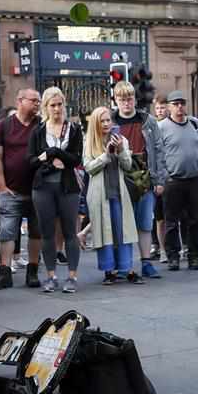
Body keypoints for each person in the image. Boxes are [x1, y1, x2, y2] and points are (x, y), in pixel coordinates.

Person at [27, 87, 84, 294]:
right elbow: (31, 161)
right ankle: (50, 276)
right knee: (47, 232)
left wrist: (55, 152)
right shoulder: (38, 131)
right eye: (52, 105)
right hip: (43, 187)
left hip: (68, 187)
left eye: (60, 104)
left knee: (70, 231)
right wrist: (49, 158)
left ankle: (72, 276)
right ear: (45, 107)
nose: (57, 109)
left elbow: (76, 159)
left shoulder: (74, 129)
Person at [111, 80, 166, 282]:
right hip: (120, 179)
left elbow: (159, 151)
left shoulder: (147, 120)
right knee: (121, 224)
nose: (126, 103)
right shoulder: (110, 121)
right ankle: (123, 266)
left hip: (144, 178)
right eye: (122, 99)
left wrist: (160, 180)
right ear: (116, 100)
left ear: (135, 98)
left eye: (129, 98)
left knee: (144, 223)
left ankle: (146, 262)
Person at [0, 89, 43, 290]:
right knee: (6, 232)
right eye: (33, 100)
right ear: (20, 101)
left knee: (36, 232)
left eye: (39, 101)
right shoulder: (4, 125)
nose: (37, 104)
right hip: (11, 189)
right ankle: (4, 272)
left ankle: (33, 270)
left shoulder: (41, 125)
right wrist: (2, 186)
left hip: (38, 190)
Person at [84, 106, 138, 285]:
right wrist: (105, 155)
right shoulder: (90, 141)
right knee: (104, 232)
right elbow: (89, 168)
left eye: (109, 120)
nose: (107, 124)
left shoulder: (121, 139)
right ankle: (109, 271)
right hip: (100, 194)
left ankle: (126, 268)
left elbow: (128, 165)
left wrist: (122, 149)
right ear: (95, 123)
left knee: (123, 231)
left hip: (119, 192)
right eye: (102, 121)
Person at [158, 90, 198, 271]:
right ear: (169, 107)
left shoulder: (194, 123)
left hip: (194, 179)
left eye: (182, 103)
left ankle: (193, 256)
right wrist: (164, 176)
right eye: (175, 104)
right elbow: (157, 154)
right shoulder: (162, 127)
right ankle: (173, 256)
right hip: (173, 181)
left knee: (195, 220)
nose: (180, 107)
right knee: (171, 221)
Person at [151, 94, 169, 262]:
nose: (160, 110)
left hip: (171, 177)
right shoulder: (152, 126)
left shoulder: (172, 125)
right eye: (157, 108)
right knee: (158, 217)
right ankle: (159, 247)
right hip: (158, 177)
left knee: (171, 216)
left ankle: (171, 248)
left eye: (162, 107)